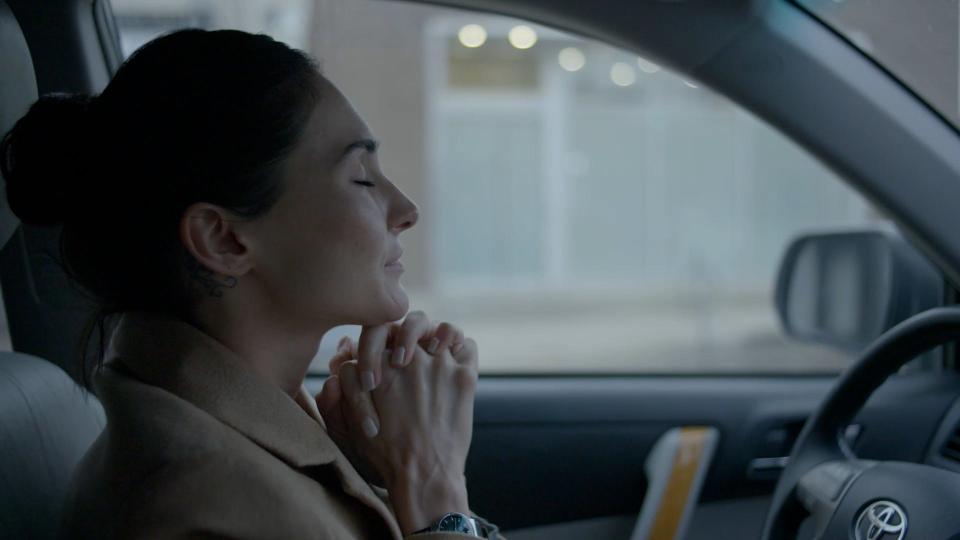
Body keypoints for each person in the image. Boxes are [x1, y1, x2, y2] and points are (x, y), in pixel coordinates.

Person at [0, 28, 500, 539]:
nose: (406, 211)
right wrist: (434, 491)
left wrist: (377, 479)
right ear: (223, 241)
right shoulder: (193, 505)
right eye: (362, 178)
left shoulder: (233, 434)